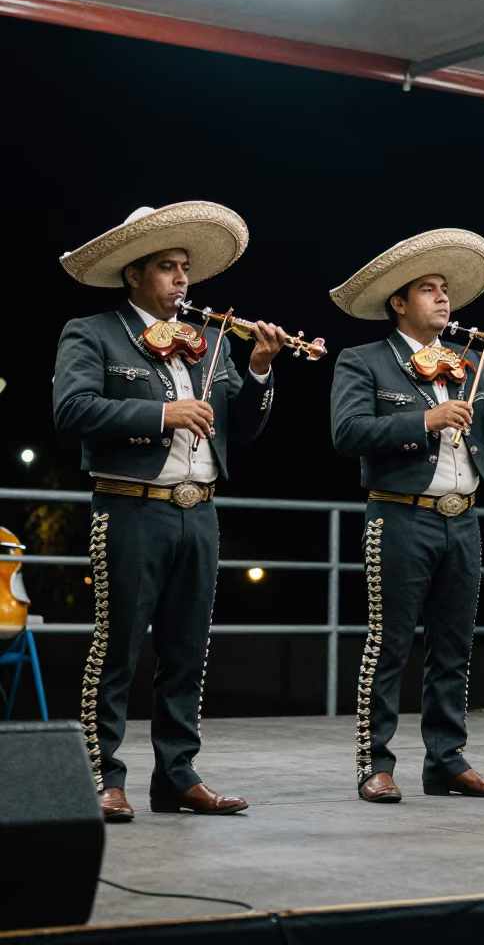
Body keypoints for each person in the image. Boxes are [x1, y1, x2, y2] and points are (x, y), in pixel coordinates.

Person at [54, 203, 287, 822]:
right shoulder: (93, 332)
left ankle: (177, 775)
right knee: (119, 647)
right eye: (167, 267)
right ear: (134, 274)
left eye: (185, 268)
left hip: (200, 512)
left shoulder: (209, 343)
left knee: (188, 650)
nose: (182, 279)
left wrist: (260, 370)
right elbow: (72, 411)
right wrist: (163, 415)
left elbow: (245, 425)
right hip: (131, 508)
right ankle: (102, 774)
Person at [329, 229, 484, 802]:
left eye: (445, 289)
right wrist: (425, 421)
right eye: (428, 289)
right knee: (390, 642)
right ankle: (375, 763)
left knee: (455, 646)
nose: (443, 298)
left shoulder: (469, 361)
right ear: (398, 303)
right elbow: (347, 434)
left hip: (463, 517)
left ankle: (446, 760)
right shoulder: (364, 359)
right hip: (399, 516)